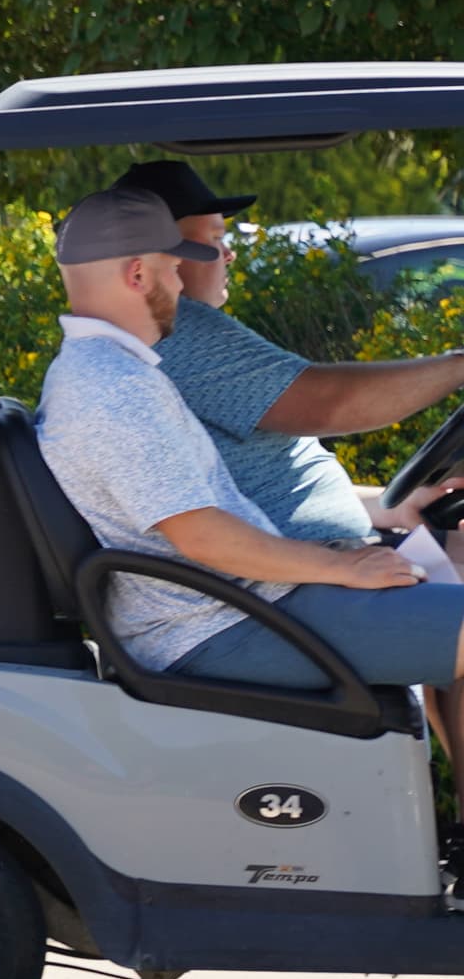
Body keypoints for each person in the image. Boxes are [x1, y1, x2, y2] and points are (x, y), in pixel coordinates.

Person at [34, 186, 464, 704]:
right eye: (172, 269)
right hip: (221, 628)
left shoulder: (111, 371)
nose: (179, 286)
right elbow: (201, 536)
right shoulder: (112, 387)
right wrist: (343, 566)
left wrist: (384, 514)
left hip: (243, 608)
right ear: (138, 275)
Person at [115, 158, 464, 560]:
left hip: (325, 560)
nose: (228, 254)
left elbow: (274, 487)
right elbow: (329, 403)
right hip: (303, 583)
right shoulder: (175, 332)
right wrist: (457, 365)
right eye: (214, 238)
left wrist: (391, 505)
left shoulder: (169, 334)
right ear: (163, 254)